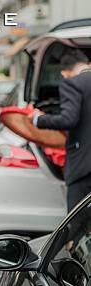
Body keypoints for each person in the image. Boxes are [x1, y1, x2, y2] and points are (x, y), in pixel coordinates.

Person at [30, 49, 91, 212]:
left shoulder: (72, 83)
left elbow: (68, 119)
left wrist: (38, 119)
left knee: (78, 225)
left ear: (65, 73)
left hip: (84, 167)